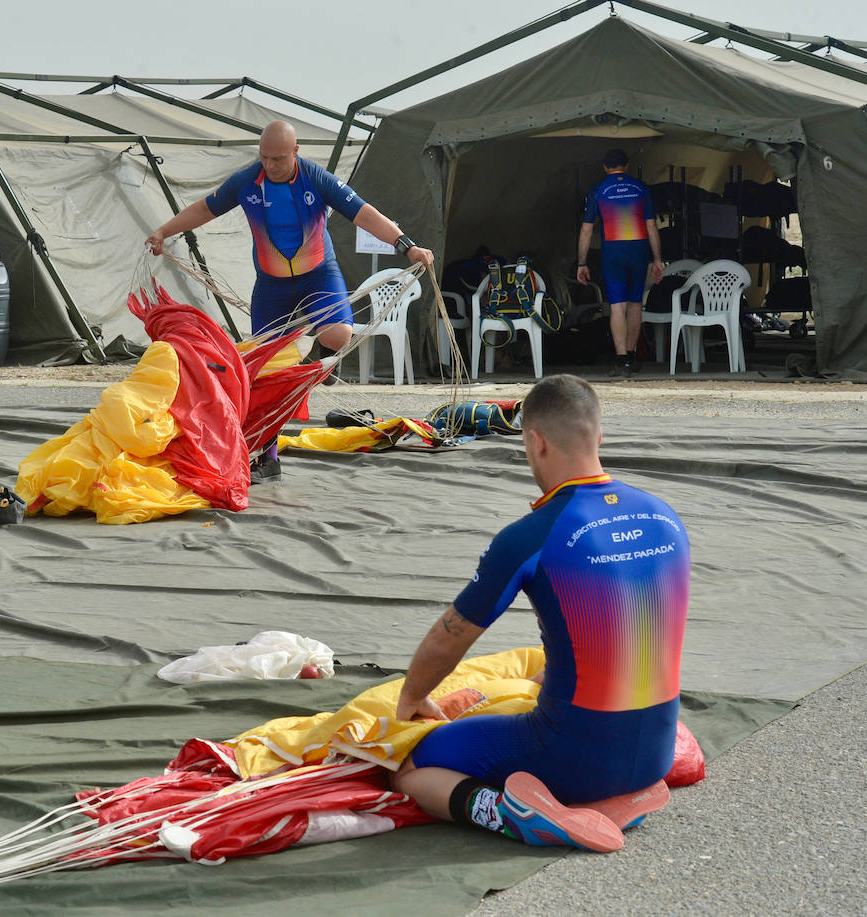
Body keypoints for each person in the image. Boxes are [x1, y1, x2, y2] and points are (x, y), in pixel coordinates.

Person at [391, 374, 690, 853]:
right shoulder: (664, 516)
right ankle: (618, 795)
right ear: (598, 435)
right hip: (654, 752)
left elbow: (449, 640)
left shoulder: (532, 535)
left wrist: (411, 696)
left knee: (411, 769)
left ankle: (515, 816)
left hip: (570, 758)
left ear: (535, 441)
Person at [145, 121, 433, 482]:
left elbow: (363, 213)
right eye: (264, 157)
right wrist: (163, 231)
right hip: (272, 286)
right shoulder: (247, 181)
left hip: (318, 275)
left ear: (296, 152)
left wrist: (406, 245)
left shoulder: (316, 179)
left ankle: (318, 359)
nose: (270, 165)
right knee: (266, 374)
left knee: (338, 336)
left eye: (278, 158)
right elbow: (205, 209)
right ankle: (268, 458)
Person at [576, 149, 663, 377]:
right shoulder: (641, 188)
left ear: (605, 167)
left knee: (617, 306)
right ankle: (632, 357)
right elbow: (652, 226)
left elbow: (587, 229)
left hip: (613, 251)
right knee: (635, 304)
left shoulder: (598, 190)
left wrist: (581, 263)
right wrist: (657, 259)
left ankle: (621, 359)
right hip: (638, 249)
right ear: (626, 166)